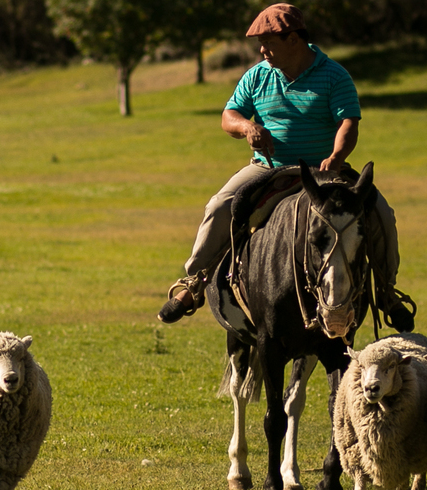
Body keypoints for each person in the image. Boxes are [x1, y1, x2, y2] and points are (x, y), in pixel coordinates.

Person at [157, 3, 413, 331]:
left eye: (268, 43)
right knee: (220, 205)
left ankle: (387, 291)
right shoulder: (257, 75)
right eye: (260, 44)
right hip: (269, 168)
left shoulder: (334, 75)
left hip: (325, 172)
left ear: (293, 39)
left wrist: (335, 157)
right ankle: (194, 282)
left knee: (381, 213)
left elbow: (349, 122)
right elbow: (228, 116)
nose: (262, 50)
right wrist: (247, 128)